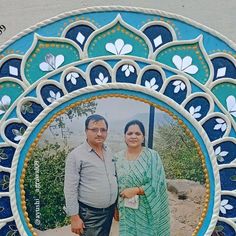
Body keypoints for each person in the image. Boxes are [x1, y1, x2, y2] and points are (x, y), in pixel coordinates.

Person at [64, 114, 118, 236]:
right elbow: (70, 189)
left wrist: (115, 206)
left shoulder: (109, 151)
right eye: (94, 130)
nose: (99, 133)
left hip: (108, 212)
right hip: (90, 215)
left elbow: (113, 178)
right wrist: (74, 217)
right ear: (86, 131)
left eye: (103, 130)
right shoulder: (76, 155)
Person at [114, 120, 170, 236]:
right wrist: (115, 208)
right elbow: (113, 185)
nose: (133, 136)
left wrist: (136, 190)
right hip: (126, 211)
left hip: (147, 211)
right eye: (130, 133)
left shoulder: (152, 156)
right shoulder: (117, 158)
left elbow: (158, 184)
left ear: (143, 137)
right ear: (124, 137)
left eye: (137, 133)